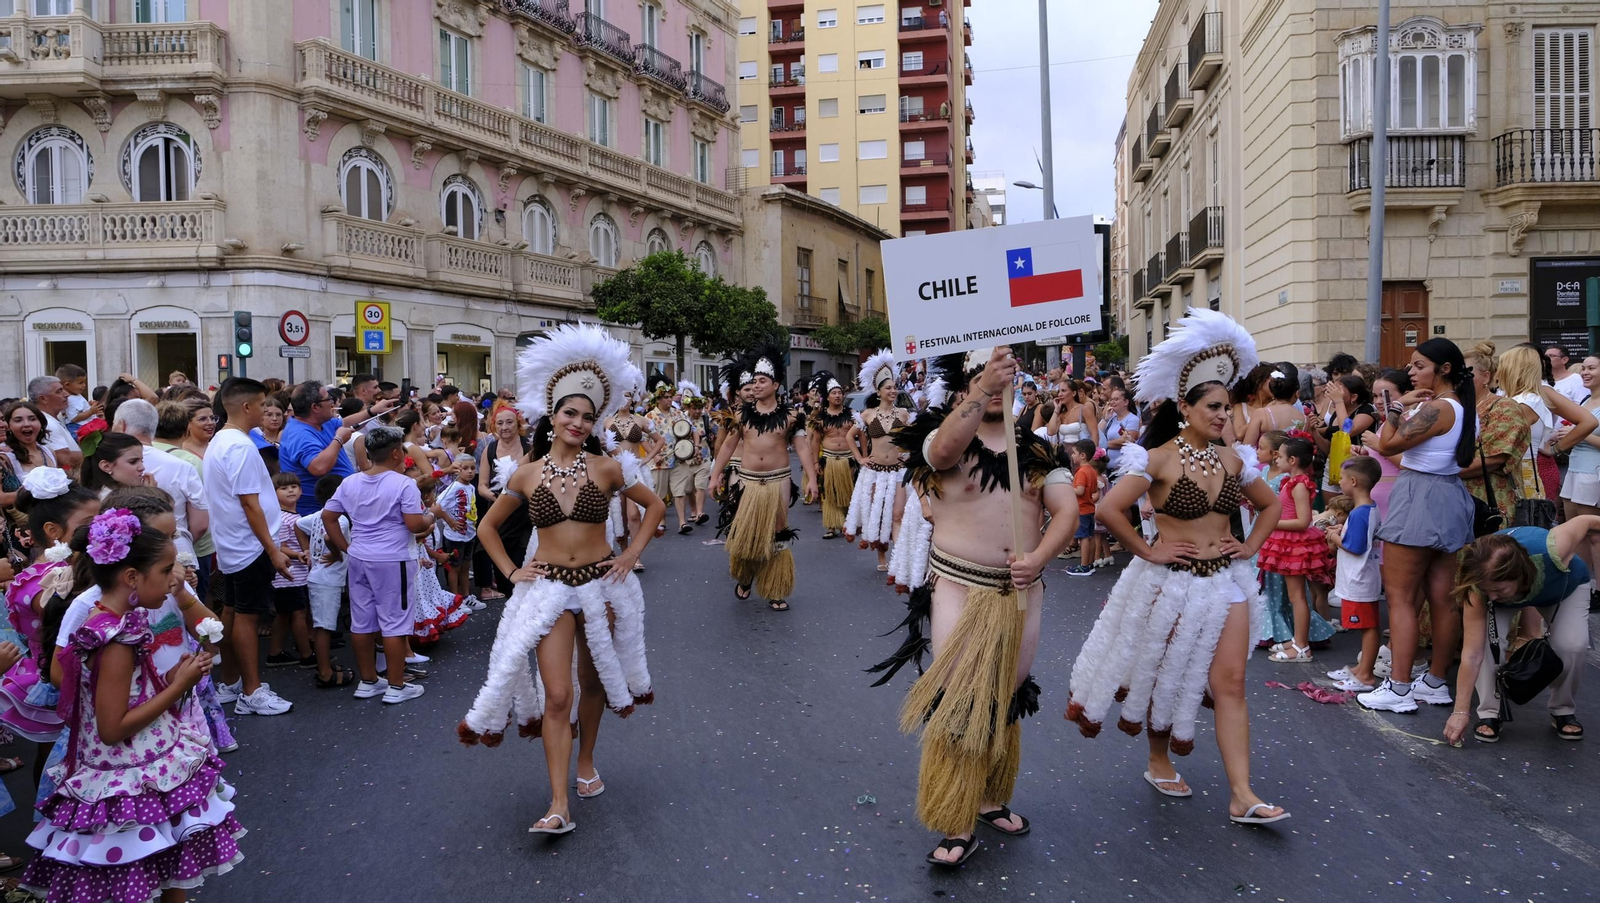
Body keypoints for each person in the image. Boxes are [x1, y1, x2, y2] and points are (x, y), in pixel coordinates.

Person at [1066, 308, 1289, 827]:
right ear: (1185, 407)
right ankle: (1158, 759)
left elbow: (1272, 506)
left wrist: (1249, 545)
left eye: (1227, 407)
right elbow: (1106, 509)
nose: (1223, 416)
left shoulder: (1234, 459)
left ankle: (1242, 794)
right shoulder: (1158, 458)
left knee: (1231, 684)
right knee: (1168, 676)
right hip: (1172, 585)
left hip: (1227, 582)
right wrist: (1149, 551)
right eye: (1213, 407)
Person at [870, 346, 1074, 865]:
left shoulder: (1035, 448)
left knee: (1006, 692)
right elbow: (938, 457)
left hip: (1021, 590)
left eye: (1002, 380)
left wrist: (1042, 556)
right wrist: (983, 387)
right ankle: (956, 820)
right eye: (982, 380)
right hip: (959, 585)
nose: (993, 388)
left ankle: (986, 797)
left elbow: (1067, 509)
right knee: (962, 697)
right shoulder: (943, 438)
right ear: (967, 384)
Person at [458, 325, 662, 838]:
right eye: (570, 412)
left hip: (600, 585)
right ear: (553, 414)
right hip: (549, 589)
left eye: (588, 415)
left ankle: (586, 760)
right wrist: (511, 572)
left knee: (592, 681)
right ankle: (556, 802)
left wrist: (630, 553)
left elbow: (655, 507)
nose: (578, 422)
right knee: (556, 695)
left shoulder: (610, 467)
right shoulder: (526, 474)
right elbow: (486, 526)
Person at [21, 508, 243, 903]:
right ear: (131, 577)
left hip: (136, 761)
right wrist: (179, 686)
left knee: (165, 856)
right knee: (140, 868)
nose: (175, 578)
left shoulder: (104, 619)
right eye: (166, 570)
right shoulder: (117, 640)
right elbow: (113, 727)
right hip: (128, 773)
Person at [1357, 338, 1477, 714]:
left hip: (1420, 497)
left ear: (1443, 369)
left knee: (1402, 598)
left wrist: (1394, 410)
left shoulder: (1438, 407)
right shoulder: (1459, 405)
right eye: (1410, 365)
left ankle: (1399, 686)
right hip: (1449, 496)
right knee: (1443, 599)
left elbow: (1389, 445)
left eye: (1419, 365)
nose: (1411, 371)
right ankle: (1436, 681)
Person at [1448, 520, 1595, 744]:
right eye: (1487, 591)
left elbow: (1589, 520)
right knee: (1488, 644)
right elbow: (1471, 654)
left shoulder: (1555, 547)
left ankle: (1562, 709)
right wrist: (1459, 712)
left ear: (1518, 575)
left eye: (1497, 590)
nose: (1493, 596)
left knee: (1572, 644)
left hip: (1563, 587)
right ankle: (1489, 713)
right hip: (1513, 591)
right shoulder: (1481, 590)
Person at [321, 426, 438, 704]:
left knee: (362, 622)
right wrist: (430, 517)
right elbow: (414, 523)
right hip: (393, 559)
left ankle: (369, 681)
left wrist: (346, 547)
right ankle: (396, 686)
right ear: (396, 453)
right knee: (395, 624)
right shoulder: (403, 484)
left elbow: (328, 516)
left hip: (360, 557)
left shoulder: (350, 482)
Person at [204, 378, 294, 717]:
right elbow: (250, 503)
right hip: (248, 546)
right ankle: (252, 692)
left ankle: (230, 683)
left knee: (232, 611)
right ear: (246, 407)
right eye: (261, 404)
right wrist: (272, 548)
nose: (268, 410)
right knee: (246, 616)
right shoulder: (239, 446)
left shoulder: (223, 440)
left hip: (235, 543)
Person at [708, 343, 819, 611]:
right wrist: (715, 476)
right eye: (754, 381)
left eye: (761, 381)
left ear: (776, 384)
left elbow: (802, 448)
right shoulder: (741, 414)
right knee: (746, 533)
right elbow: (727, 447)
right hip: (746, 481)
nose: (756, 386)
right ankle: (745, 577)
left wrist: (812, 478)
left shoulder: (792, 416)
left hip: (778, 480)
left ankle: (775, 588)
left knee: (778, 532)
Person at [1258, 437, 1332, 664]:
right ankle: (1298, 641)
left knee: (1297, 596)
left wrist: (1271, 523)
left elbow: (1303, 521)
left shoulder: (1300, 485)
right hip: (1287, 542)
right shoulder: (1290, 482)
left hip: (1294, 545)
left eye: (1279, 456)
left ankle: (1301, 646)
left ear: (1292, 459)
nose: (1276, 459)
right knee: (1295, 596)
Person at [111, 399, 210, 567]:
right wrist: (176, 539)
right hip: (178, 551)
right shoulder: (182, 466)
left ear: (121, 425)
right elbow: (200, 524)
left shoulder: (110, 464)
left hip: (125, 557)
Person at [1502, 344, 1597, 507]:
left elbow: (1588, 422)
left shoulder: (1537, 394)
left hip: (1532, 466)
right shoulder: (1520, 395)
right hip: (1527, 467)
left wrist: (1555, 448)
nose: (1500, 370)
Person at [843, 350, 909, 572]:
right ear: (879, 392)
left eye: (894, 387)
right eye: (888, 388)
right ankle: (882, 556)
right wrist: (860, 458)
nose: (893, 390)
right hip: (875, 471)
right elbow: (849, 436)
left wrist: (908, 454)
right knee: (879, 514)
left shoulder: (903, 414)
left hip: (899, 471)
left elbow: (913, 440)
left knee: (898, 515)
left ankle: (898, 559)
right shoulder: (868, 415)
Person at [1324, 456, 1384, 691]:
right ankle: (1361, 669)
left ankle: (1366, 675)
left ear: (1353, 481)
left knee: (1368, 627)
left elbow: (1356, 546)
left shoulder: (1359, 513)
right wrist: (1343, 532)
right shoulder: (1368, 508)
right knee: (1368, 626)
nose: (1339, 482)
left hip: (1359, 579)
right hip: (1361, 577)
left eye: (1341, 478)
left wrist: (1334, 537)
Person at [292, 474, 354, 689]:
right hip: (328, 580)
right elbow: (329, 538)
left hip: (319, 577)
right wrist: (338, 553)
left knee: (322, 624)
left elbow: (298, 525)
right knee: (324, 627)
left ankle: (325, 665)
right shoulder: (341, 519)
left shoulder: (318, 515)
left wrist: (306, 550)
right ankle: (325, 672)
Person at [1457, 345, 1524, 527]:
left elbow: (1495, 459)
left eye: (1466, 373)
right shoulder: (1455, 408)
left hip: (1489, 501)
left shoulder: (1504, 407)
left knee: (1489, 553)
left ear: (1486, 377)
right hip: (1454, 499)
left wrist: (1438, 471)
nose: (1459, 380)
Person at [476, 405, 532, 594]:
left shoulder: (529, 448)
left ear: (518, 424)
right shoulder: (489, 449)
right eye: (500, 423)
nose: (505, 427)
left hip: (526, 515)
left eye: (509, 422)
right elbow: (482, 485)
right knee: (502, 565)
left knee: (523, 558)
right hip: (500, 514)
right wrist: (493, 496)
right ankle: (509, 603)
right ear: (494, 426)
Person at [280, 381, 357, 517]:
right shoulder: (299, 434)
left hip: (337, 506)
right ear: (315, 407)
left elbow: (345, 423)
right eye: (328, 399)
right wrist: (338, 440)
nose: (332, 403)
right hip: (318, 513)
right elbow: (318, 467)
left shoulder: (322, 422)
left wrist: (373, 411)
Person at [264, 472, 313, 670]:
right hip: (289, 576)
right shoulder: (282, 519)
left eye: (294, 486)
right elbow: (280, 547)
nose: (290, 490)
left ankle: (275, 653)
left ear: (301, 490)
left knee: (283, 615)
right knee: (298, 614)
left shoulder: (294, 516)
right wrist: (299, 555)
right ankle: (307, 655)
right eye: (283, 488)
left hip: (295, 576)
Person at [809, 373, 857, 541]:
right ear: (827, 397)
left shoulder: (851, 414)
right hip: (829, 459)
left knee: (848, 491)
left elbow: (862, 436)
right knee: (829, 492)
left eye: (839, 392)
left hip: (848, 459)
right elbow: (815, 441)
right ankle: (831, 525)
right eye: (834, 393)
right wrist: (815, 462)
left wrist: (862, 457)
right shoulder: (820, 418)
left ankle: (848, 524)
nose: (838, 396)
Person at [1560, 355, 1600, 533]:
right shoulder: (1585, 401)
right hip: (1573, 469)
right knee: (1573, 532)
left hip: (1592, 473)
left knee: (1591, 533)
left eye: (1591, 368)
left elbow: (1582, 433)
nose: (1585, 373)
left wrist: (1578, 434)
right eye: (1583, 368)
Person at [25, 376, 82, 474]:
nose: (67, 394)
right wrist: (91, 455)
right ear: (43, 399)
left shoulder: (54, 418)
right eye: (59, 391)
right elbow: (65, 459)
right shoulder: (47, 423)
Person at [1065, 439, 1103, 576]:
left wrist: (1068, 487)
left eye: (1074, 453)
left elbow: (1079, 491)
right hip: (1089, 508)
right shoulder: (1091, 471)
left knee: (1084, 538)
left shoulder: (1081, 472)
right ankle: (1090, 563)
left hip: (1082, 509)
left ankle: (1084, 566)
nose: (1072, 455)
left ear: (1083, 455)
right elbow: (1092, 490)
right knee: (1090, 536)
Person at [2, 400, 59, 482]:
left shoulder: (50, 453)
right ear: (8, 426)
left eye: (32, 419)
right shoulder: (6, 458)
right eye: (18, 420)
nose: (27, 424)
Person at [1100, 386, 1141, 470]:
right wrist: (1105, 419)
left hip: (1122, 468)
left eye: (1116, 399)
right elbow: (1098, 434)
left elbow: (1125, 441)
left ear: (1125, 402)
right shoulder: (1112, 418)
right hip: (1107, 468)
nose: (1112, 402)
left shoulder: (1133, 419)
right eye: (1111, 399)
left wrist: (1103, 445)